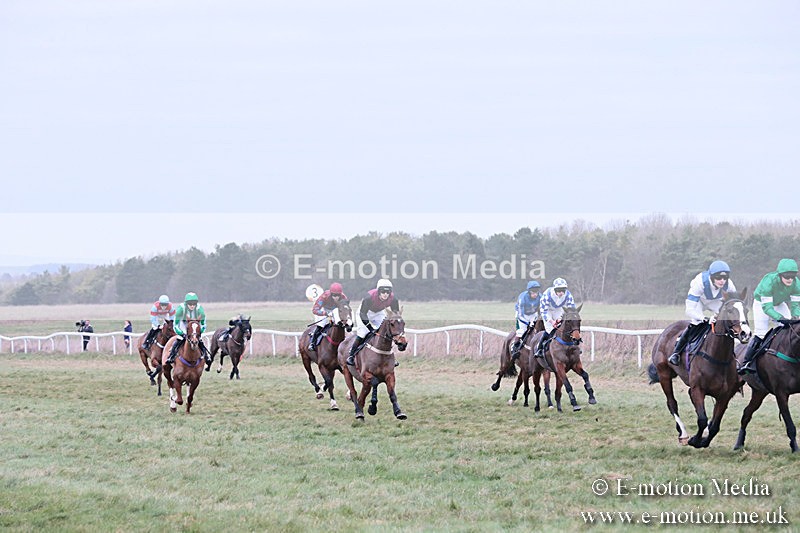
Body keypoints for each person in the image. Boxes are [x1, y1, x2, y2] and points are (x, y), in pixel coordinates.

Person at [668, 261, 737, 365]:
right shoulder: (699, 283)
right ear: (712, 277)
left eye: (725, 278)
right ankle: (676, 353)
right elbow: (689, 310)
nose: (722, 281)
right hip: (698, 301)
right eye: (719, 278)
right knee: (696, 322)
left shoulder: (729, 284)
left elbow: (734, 304)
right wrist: (704, 318)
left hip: (715, 302)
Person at [738, 258, 800, 374]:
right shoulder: (769, 281)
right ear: (780, 274)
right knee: (761, 333)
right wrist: (780, 318)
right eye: (787, 276)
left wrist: (796, 317)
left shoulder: (797, 284)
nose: (790, 279)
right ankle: (746, 362)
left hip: (779, 303)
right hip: (762, 304)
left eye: (792, 276)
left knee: (789, 329)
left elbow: (796, 305)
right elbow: (767, 308)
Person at [346, 279, 400, 366]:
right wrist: (370, 328)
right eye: (383, 291)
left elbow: (396, 314)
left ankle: (392, 357)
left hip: (379, 313)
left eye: (388, 292)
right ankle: (351, 355)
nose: (385, 294)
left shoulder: (393, 299)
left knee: (386, 331)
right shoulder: (369, 298)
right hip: (364, 313)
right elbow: (363, 313)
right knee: (363, 333)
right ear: (378, 291)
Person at [534, 278, 576, 358]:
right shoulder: (547, 294)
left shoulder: (568, 294)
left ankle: (571, 347)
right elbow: (543, 311)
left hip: (558, 310)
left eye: (563, 290)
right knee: (550, 330)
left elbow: (571, 308)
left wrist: (561, 319)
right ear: (554, 289)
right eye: (559, 290)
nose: (561, 293)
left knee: (563, 328)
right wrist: (552, 321)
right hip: (547, 311)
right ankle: (539, 349)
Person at [166, 292, 210, 366]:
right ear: (186, 303)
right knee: (179, 338)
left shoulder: (200, 309)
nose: (192, 306)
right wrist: (181, 333)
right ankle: (171, 356)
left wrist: (199, 332)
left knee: (199, 339)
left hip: (195, 326)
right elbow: (176, 324)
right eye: (190, 304)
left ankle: (206, 356)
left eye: (194, 304)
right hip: (183, 324)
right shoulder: (181, 308)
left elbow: (203, 324)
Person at [308, 282, 348, 351]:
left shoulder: (344, 297)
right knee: (322, 323)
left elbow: (346, 309)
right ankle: (312, 343)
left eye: (338, 295)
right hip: (324, 310)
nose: (336, 297)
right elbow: (315, 309)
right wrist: (324, 313)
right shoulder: (324, 296)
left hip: (337, 311)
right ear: (331, 293)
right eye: (334, 295)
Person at [510, 280, 542, 361]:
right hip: (521, 315)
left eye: (536, 292)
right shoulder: (523, 297)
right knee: (522, 330)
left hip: (532, 314)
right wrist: (528, 323)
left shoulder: (540, 297)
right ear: (529, 292)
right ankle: (515, 348)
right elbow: (521, 314)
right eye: (533, 292)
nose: (535, 294)